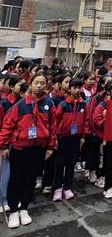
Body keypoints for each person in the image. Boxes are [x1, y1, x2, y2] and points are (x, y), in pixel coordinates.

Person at [0, 73, 57, 229]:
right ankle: (13, 210)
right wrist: (4, 146)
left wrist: (51, 146)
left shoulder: (49, 104)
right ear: (31, 84)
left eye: (43, 83)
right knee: (16, 180)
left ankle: (24, 208)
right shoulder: (20, 105)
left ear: (46, 85)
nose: (39, 85)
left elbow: (53, 127)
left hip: (38, 149)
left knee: (30, 179)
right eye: (36, 82)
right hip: (19, 148)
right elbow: (7, 126)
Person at [52, 77, 89, 201]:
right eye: (75, 87)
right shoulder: (63, 105)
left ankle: (67, 187)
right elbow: (55, 122)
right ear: (70, 89)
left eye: (79, 87)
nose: (78, 90)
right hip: (62, 138)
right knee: (59, 164)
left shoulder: (83, 104)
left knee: (71, 163)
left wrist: (83, 136)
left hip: (76, 139)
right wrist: (56, 137)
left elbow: (86, 122)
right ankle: (57, 188)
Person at [0, 75, 28, 212]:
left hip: (19, 143)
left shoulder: (22, 103)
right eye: (19, 85)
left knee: (15, 173)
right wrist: (3, 144)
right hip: (7, 142)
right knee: (5, 172)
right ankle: (3, 199)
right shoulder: (6, 103)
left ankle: (12, 198)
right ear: (11, 87)